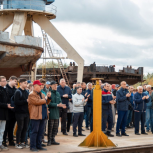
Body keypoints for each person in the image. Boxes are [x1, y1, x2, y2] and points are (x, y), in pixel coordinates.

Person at [28, 80, 51, 152]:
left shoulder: (42, 94)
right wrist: (45, 99)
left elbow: (46, 102)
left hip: (42, 115)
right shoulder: (31, 94)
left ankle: (38, 145)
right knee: (34, 131)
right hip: (35, 116)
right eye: (39, 85)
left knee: (41, 132)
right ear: (35, 87)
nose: (41, 86)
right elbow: (37, 102)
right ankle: (32, 146)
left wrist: (49, 98)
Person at [47, 81, 66, 146]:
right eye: (54, 85)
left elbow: (60, 101)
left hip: (57, 113)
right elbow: (48, 103)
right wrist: (57, 105)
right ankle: (49, 140)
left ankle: (53, 139)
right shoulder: (49, 93)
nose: (55, 86)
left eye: (56, 85)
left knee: (55, 128)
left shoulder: (58, 93)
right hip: (51, 113)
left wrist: (61, 104)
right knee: (50, 127)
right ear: (51, 86)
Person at [14, 78, 29, 149]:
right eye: (25, 83)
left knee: (25, 128)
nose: (26, 84)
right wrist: (25, 101)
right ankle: (17, 143)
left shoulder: (26, 91)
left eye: (26, 83)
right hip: (19, 113)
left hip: (26, 113)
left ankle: (23, 142)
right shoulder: (17, 91)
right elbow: (16, 102)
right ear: (21, 83)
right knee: (20, 128)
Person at [3, 76, 17, 147]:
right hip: (7, 110)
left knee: (12, 126)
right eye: (14, 81)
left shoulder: (15, 89)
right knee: (6, 127)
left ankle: (11, 140)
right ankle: (4, 141)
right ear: (10, 80)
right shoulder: (6, 88)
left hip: (13, 111)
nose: (15, 83)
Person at [0, 76, 14, 151]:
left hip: (5, 113)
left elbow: (7, 100)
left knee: (2, 130)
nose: (5, 82)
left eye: (5, 81)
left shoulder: (5, 90)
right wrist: (6, 105)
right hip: (1, 112)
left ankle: (0, 144)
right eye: (3, 81)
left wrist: (9, 104)